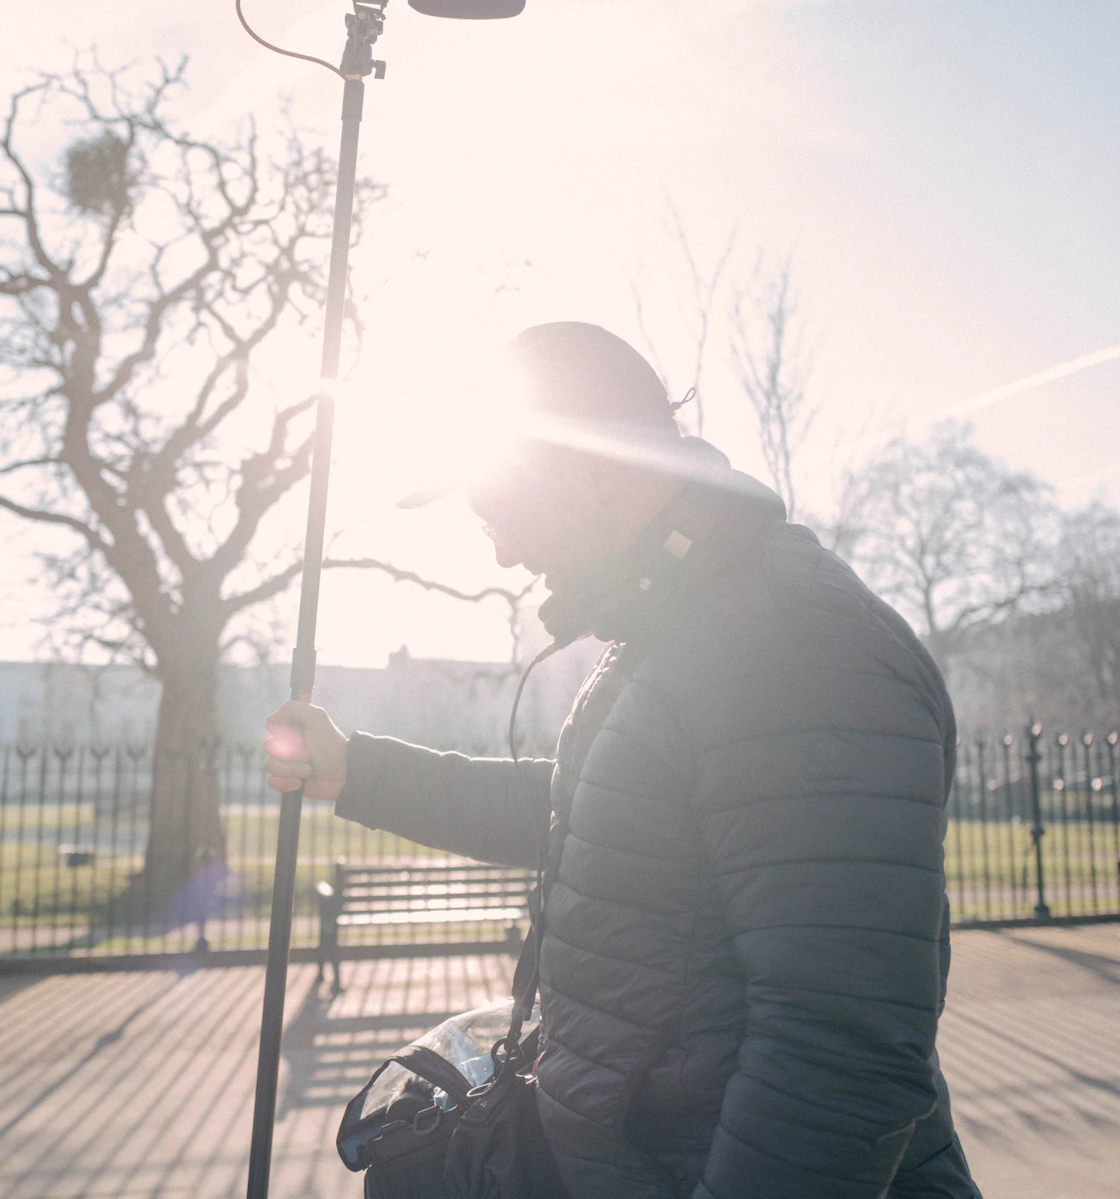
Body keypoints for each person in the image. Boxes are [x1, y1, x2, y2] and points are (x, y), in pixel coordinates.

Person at [266, 322, 980, 1199]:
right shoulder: (682, 627)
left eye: (501, 509)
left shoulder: (796, 647)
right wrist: (357, 773)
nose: (502, 551)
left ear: (592, 471)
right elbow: (594, 812)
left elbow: (844, 1053)